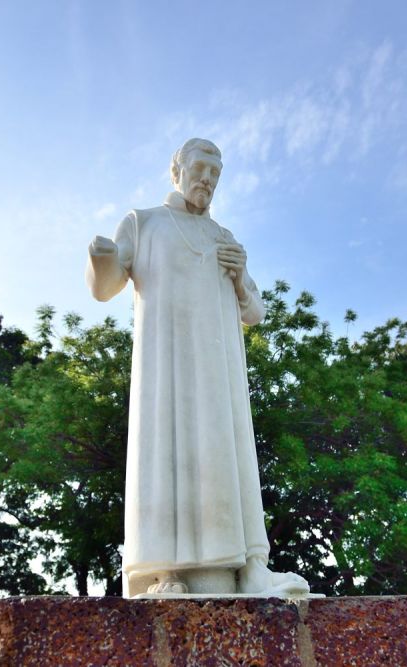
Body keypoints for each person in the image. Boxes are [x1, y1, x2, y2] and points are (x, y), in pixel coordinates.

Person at [87, 138, 309, 597]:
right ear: (178, 170)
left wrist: (242, 276)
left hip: (219, 365)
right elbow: (105, 287)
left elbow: (255, 312)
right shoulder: (143, 222)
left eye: (216, 172)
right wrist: (100, 257)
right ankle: (163, 571)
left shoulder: (225, 237)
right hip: (165, 365)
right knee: (165, 450)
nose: (208, 178)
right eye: (201, 168)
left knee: (228, 452)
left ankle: (251, 569)